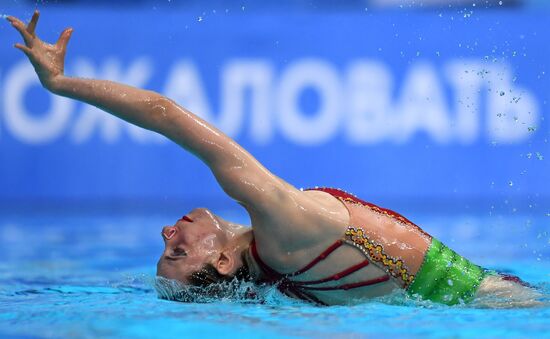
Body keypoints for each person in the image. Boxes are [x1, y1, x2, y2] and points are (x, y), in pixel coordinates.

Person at [7, 11, 540, 307]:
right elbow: (163, 111)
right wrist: (60, 84)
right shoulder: (279, 224)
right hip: (496, 300)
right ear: (219, 263)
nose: (168, 233)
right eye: (176, 254)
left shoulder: (275, 277)